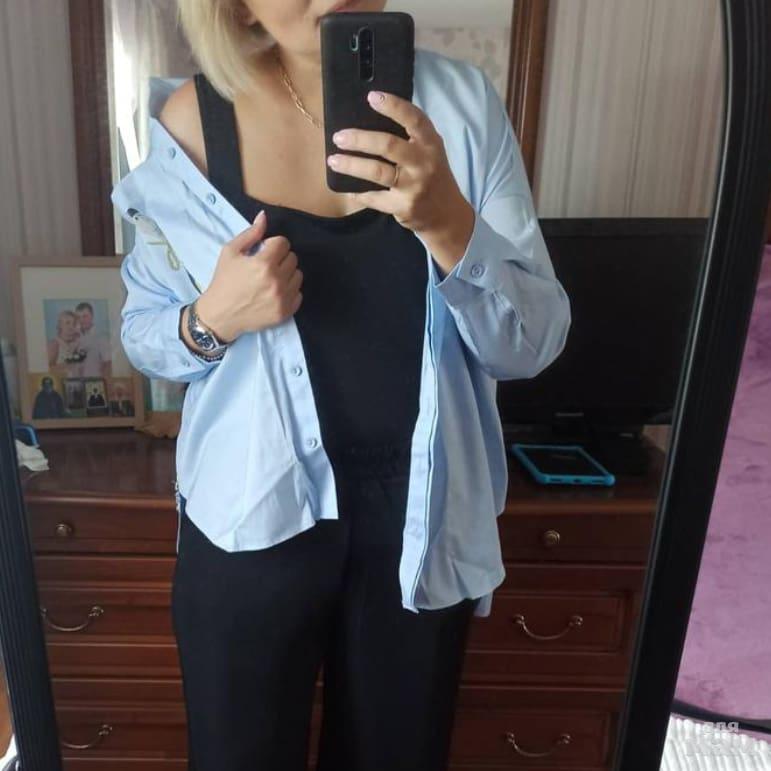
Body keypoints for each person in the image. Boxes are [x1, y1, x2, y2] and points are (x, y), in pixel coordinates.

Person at [115, 1, 572, 769]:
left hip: (422, 522)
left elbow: (531, 342)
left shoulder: (460, 108)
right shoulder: (189, 123)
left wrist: (449, 224)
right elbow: (144, 332)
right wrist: (212, 318)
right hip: (250, 516)